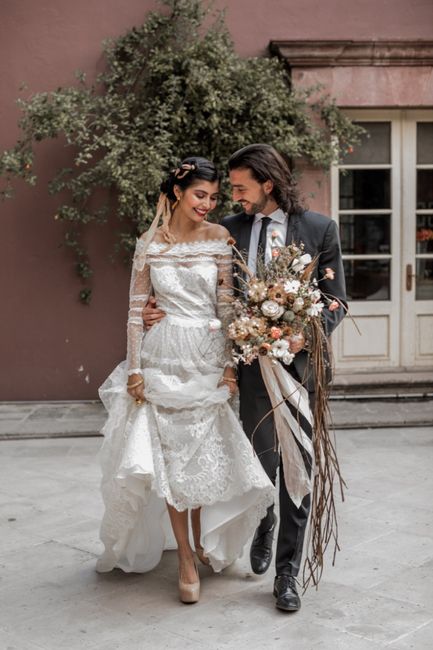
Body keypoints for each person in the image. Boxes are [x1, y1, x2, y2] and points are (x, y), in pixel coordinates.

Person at [144, 144, 347, 612]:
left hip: (298, 370)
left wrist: (304, 336)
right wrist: (158, 308)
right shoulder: (225, 232)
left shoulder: (318, 229)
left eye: (239, 188)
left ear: (267, 184)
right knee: (262, 464)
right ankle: (265, 519)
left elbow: (336, 299)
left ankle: (287, 573)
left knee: (298, 467)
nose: (231, 197)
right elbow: (196, 282)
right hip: (249, 374)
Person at [96, 156, 274, 605]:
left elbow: (227, 307)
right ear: (177, 192)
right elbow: (137, 313)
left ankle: (198, 544)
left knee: (200, 457)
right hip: (162, 358)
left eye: (215, 198)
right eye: (200, 195)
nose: (208, 205)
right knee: (172, 461)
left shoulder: (220, 239)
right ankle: (187, 562)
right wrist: (135, 369)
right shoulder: (149, 244)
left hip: (208, 358)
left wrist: (231, 366)